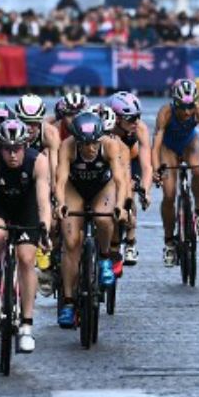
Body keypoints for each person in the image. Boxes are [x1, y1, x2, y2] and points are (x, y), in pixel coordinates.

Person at [0, 119, 50, 354]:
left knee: (26, 258)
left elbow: (44, 202)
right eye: (7, 149)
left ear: (26, 146)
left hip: (26, 207)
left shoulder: (38, 161)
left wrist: (45, 229)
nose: (13, 154)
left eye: (17, 148)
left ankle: (26, 325)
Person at [52, 111, 129, 330]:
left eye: (94, 143)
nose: (91, 148)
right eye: (85, 144)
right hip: (74, 189)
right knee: (71, 244)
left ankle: (105, 258)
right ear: (77, 140)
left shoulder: (109, 146)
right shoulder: (67, 146)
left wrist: (120, 207)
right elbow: (60, 181)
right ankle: (68, 302)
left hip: (102, 187)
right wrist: (60, 204)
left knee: (103, 219)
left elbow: (120, 181)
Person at [152, 78, 199, 266]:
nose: (187, 112)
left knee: (198, 169)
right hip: (168, 147)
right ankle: (169, 242)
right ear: (174, 103)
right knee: (169, 194)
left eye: (190, 107)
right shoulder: (166, 113)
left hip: (188, 143)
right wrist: (156, 168)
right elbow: (155, 145)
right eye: (182, 107)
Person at [107, 91, 152, 265]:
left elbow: (147, 165)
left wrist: (145, 191)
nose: (136, 122)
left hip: (132, 163)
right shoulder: (106, 127)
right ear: (116, 118)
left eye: (138, 117)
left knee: (130, 193)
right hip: (110, 162)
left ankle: (131, 241)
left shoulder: (139, 128)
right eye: (131, 118)